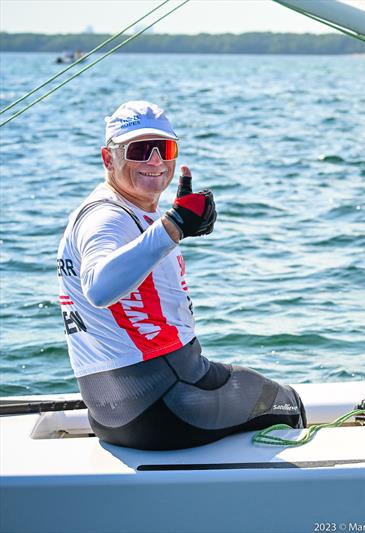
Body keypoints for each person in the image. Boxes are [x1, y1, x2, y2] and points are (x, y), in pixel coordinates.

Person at [57, 101, 306, 449]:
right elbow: (98, 288)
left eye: (165, 148)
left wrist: (169, 224)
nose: (155, 161)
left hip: (112, 412)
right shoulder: (107, 218)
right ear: (108, 159)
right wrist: (173, 227)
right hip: (164, 404)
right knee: (284, 401)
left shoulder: (124, 211)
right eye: (140, 150)